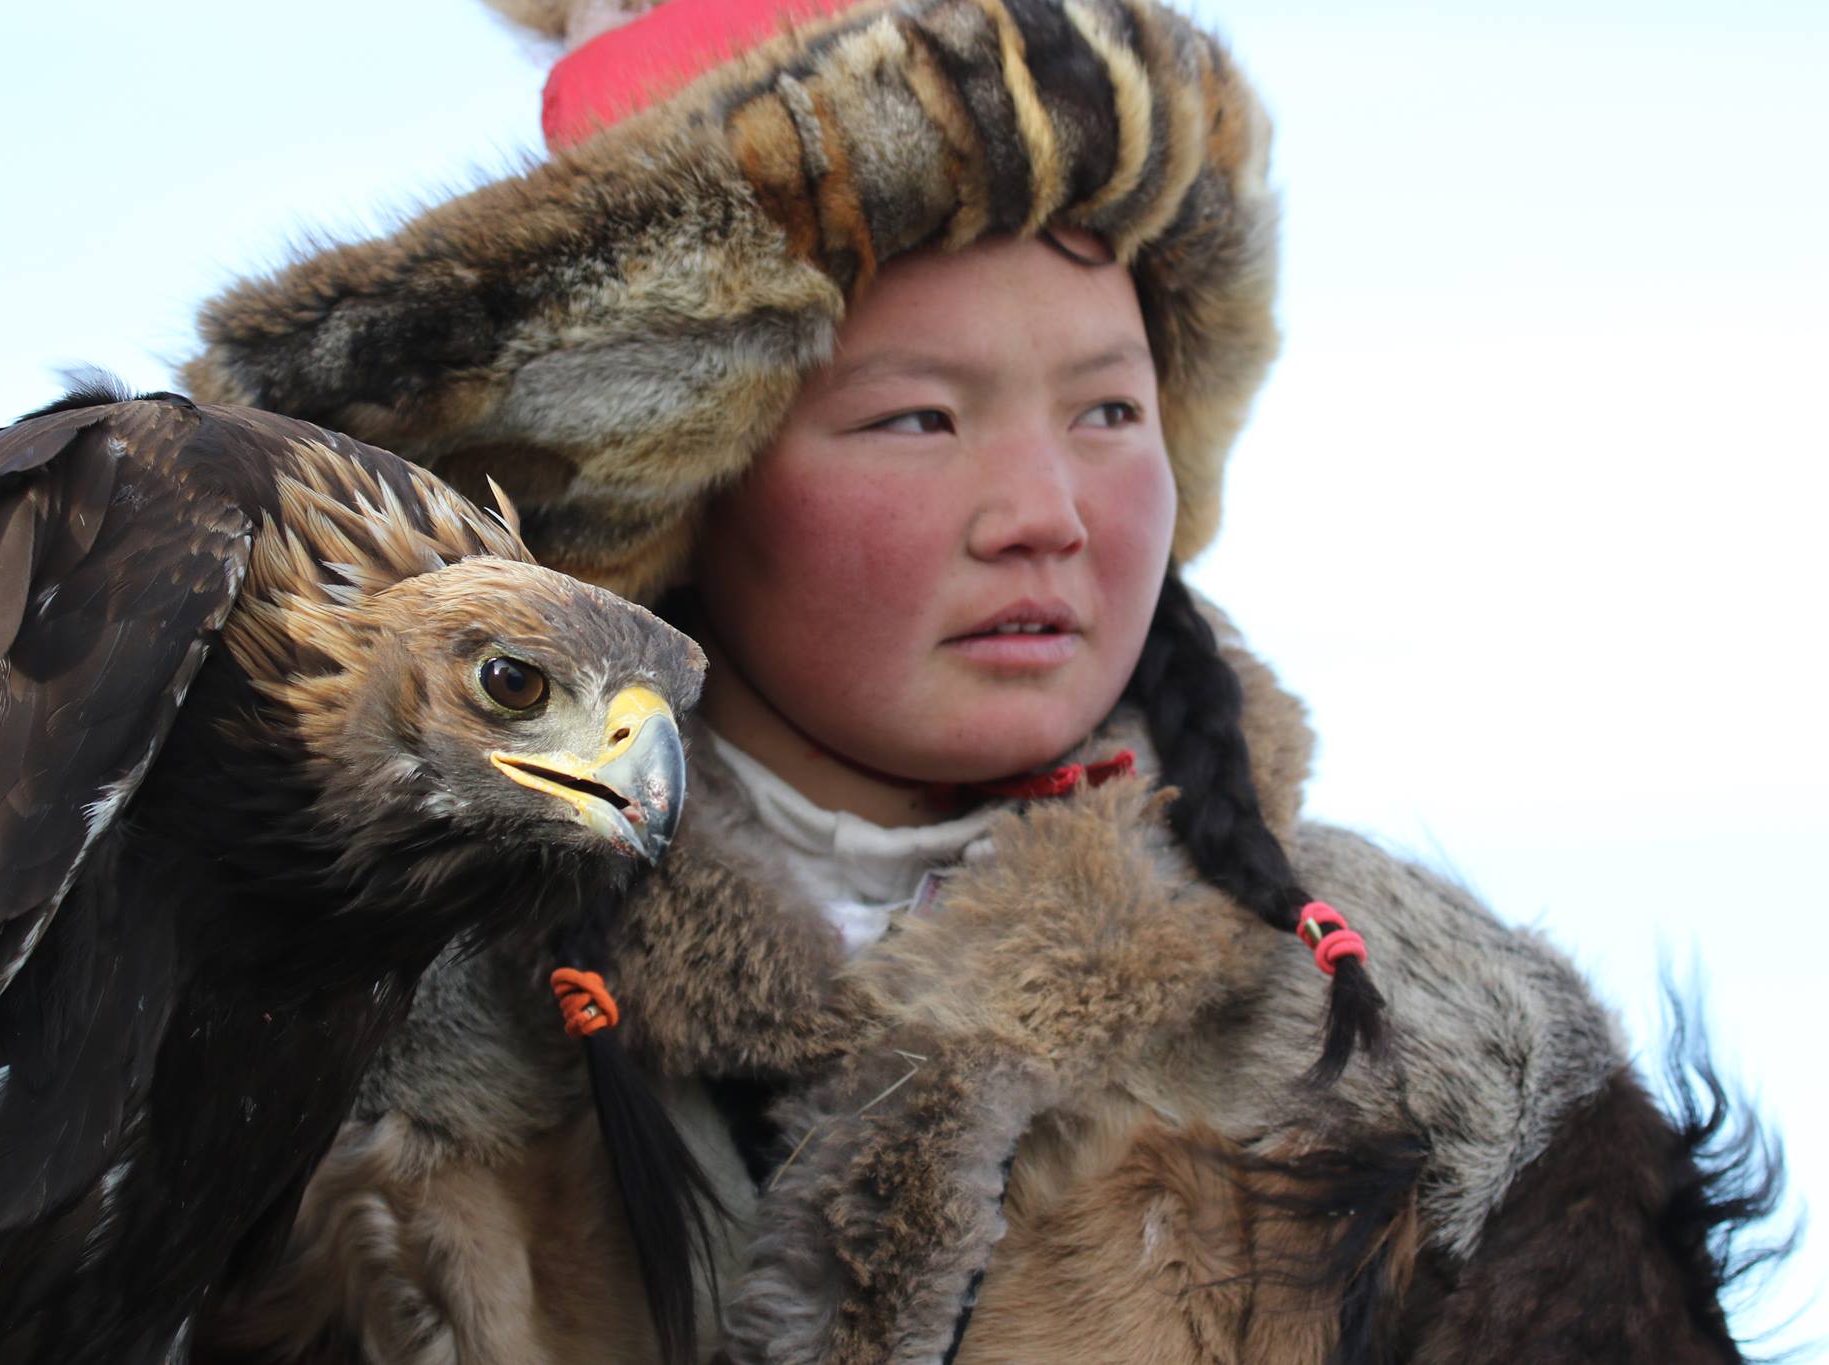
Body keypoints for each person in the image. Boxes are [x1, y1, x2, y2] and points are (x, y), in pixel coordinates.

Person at [182, 0, 1777, 1359]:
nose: (1048, 513)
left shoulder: (1415, 1038)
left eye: (1106, 410)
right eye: (919, 420)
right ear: (686, 489)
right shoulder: (363, 1037)